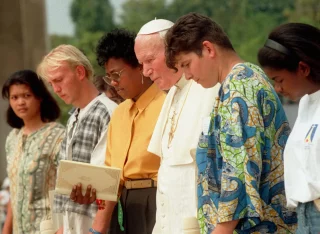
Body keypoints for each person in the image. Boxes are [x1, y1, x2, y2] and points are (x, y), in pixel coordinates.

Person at [165, 13, 297, 234]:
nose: (186, 75)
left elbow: (239, 173)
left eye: (186, 64)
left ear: (208, 49)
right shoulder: (240, 82)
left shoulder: (240, 89)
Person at [70, 28, 166, 234]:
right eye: (108, 77)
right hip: (122, 206)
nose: (113, 83)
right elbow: (112, 174)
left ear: (140, 66)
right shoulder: (120, 113)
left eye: (117, 74)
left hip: (158, 200)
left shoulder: (166, 104)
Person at [135, 19, 220, 234]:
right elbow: (166, 175)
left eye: (150, 60)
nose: (145, 72)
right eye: (141, 64)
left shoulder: (210, 88)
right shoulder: (172, 93)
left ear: (172, 50)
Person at [37, 45, 118, 234]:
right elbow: (63, 184)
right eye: (51, 83)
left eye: (59, 80)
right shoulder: (73, 116)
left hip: (92, 226)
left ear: (80, 72)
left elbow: (108, 182)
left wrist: (97, 230)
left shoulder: (107, 112)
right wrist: (59, 228)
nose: (56, 89)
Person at [258, 23, 320, 234]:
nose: (278, 89)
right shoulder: (306, 104)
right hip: (304, 217)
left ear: (303, 68)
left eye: (279, 79)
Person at [1, 70, 65, 234]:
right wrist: (6, 230)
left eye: (26, 95)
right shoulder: (12, 139)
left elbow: (66, 189)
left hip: (47, 229)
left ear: (40, 97)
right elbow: (15, 192)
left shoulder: (58, 135)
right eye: (14, 97)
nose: (20, 102)